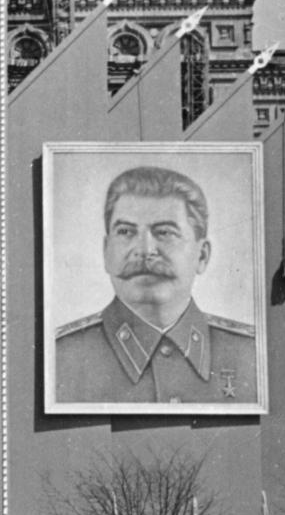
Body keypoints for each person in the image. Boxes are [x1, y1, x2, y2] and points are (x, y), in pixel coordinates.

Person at [54, 165, 257, 406]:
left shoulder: (251, 355)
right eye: (126, 231)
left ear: (201, 256)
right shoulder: (59, 359)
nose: (144, 250)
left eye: (164, 232)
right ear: (106, 252)